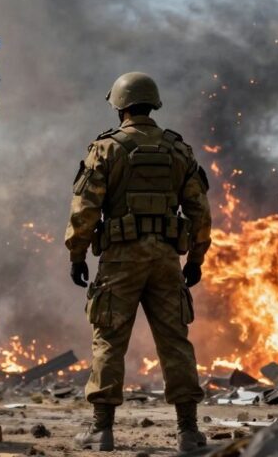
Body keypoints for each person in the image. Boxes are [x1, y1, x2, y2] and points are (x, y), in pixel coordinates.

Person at [64, 71, 212, 452]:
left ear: (119, 107)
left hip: (120, 260)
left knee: (109, 341)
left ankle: (101, 430)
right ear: (153, 105)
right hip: (165, 260)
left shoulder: (106, 149)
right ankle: (188, 432)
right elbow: (200, 212)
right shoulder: (178, 150)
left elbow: (85, 209)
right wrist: (196, 259)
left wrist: (77, 255)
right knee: (175, 342)